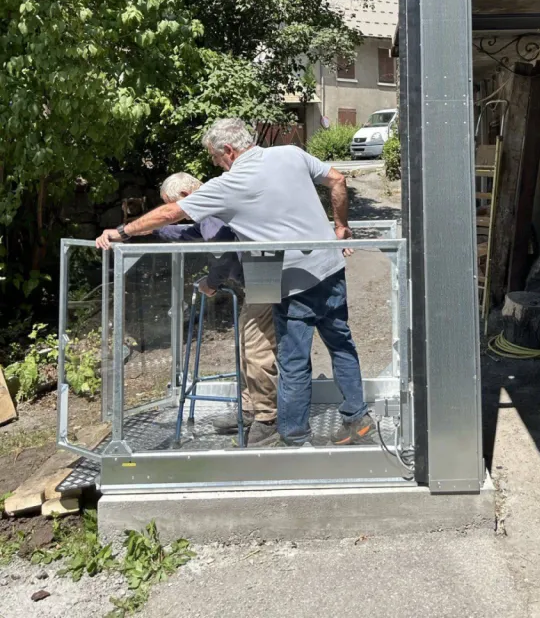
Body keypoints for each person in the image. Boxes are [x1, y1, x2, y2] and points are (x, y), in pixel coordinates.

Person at [97, 119, 375, 448]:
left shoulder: (229, 184)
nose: (215, 165)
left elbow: (172, 214)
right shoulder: (291, 153)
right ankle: (357, 419)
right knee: (340, 345)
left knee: (292, 358)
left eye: (215, 158)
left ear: (228, 151)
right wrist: (340, 227)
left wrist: (123, 232)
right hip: (329, 266)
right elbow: (338, 180)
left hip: (284, 275)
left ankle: (291, 436)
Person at [154, 172, 278, 442]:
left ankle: (267, 418)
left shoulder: (208, 207)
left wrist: (211, 282)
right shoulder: (211, 205)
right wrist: (148, 229)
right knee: (248, 344)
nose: (178, 214)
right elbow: (186, 232)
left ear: (186, 196)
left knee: (255, 348)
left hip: (266, 277)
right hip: (263, 276)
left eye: (174, 207)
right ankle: (249, 407)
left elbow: (223, 253)